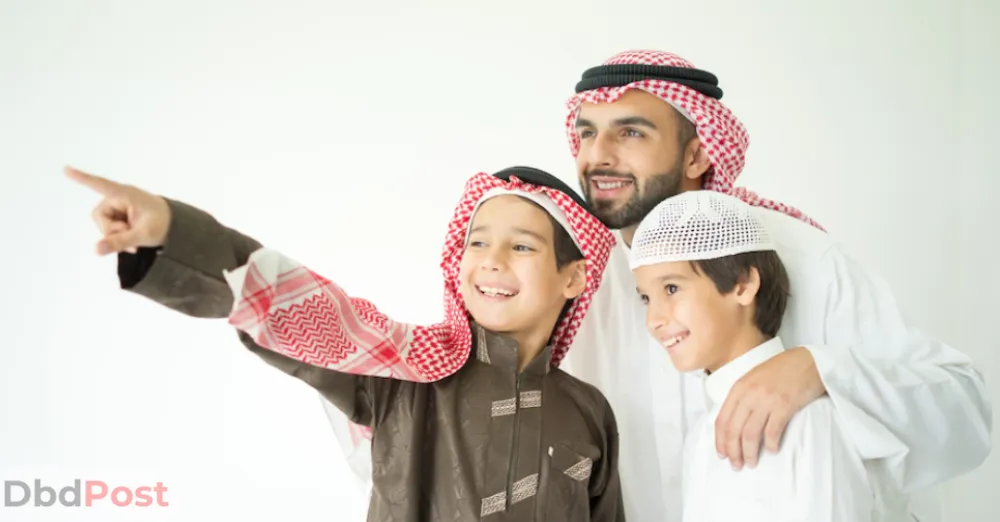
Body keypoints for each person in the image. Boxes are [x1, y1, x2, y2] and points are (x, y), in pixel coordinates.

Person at [554, 49, 992, 521]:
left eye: (631, 132)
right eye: (587, 134)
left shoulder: (802, 256)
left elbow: (964, 411)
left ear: (698, 152)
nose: (597, 155)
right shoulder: (577, 284)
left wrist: (820, 370)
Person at [67, 164, 626, 522]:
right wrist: (174, 231)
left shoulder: (588, 412)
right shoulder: (407, 374)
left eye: (522, 247)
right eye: (477, 242)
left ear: (573, 278)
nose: (491, 261)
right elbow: (309, 312)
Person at [630, 189, 910, 522]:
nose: (654, 320)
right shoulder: (701, 436)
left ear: (743, 284)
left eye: (672, 289)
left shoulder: (810, 422)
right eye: (646, 298)